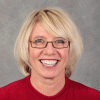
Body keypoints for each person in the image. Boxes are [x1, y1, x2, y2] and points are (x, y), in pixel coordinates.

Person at [0, 7, 100, 100]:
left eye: (60, 41)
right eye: (39, 41)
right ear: (26, 48)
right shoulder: (4, 96)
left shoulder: (93, 97)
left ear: (70, 48)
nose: (50, 51)